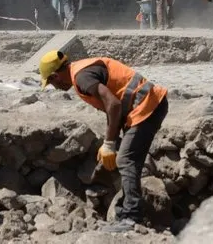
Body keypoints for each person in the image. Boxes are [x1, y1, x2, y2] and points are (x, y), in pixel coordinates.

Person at [39, 50, 169, 233]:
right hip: (146, 106)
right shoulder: (81, 69)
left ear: (55, 76)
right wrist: (112, 141)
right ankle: (125, 213)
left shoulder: (81, 78)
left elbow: (114, 105)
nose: (55, 87)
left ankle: (131, 218)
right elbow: (113, 108)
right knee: (127, 159)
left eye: (51, 82)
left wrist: (109, 143)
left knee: (126, 160)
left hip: (146, 107)